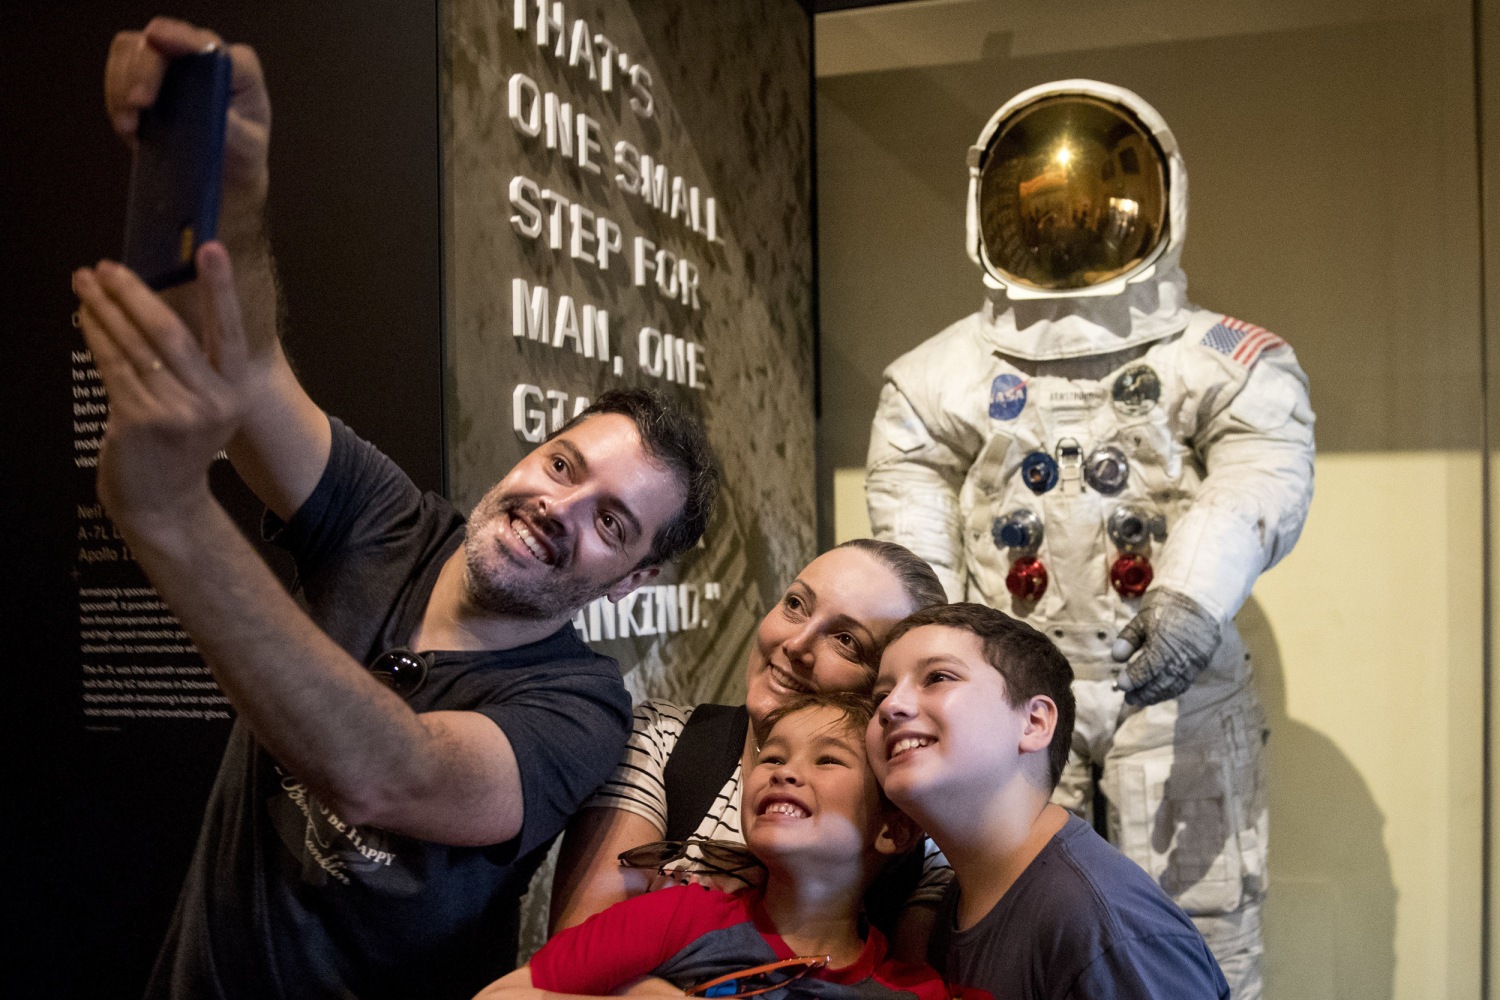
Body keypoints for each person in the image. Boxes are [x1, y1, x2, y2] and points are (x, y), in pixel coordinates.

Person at [76, 17, 719, 1000]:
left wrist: (172, 518)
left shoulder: (580, 711)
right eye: (561, 463)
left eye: (611, 521)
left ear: (631, 577)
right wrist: (232, 189)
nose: (558, 504)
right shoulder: (386, 521)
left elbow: (391, 772)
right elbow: (251, 370)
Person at [865, 79, 1315, 996]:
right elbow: (907, 491)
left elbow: (1260, 470)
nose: (1067, 225)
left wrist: (1189, 596)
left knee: (1198, 919)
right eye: (1042, 200)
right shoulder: (937, 375)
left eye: (1087, 200)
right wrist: (940, 630)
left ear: (1157, 199)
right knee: (998, 904)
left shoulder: (1223, 357)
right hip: (1008, 695)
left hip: (1175, 685)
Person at [549, 539, 948, 948]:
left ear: (886, 689)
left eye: (846, 640)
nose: (796, 645)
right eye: (796, 604)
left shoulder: (922, 840)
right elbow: (575, 965)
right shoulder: (662, 741)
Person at [478, 693, 948, 1000]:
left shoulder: (914, 991)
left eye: (828, 759)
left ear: (894, 830)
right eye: (773, 756)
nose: (782, 771)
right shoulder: (678, 917)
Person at [869, 603, 1230, 1000]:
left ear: (1034, 723)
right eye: (881, 695)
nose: (890, 706)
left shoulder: (1106, 928)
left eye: (937, 677)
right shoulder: (954, 907)